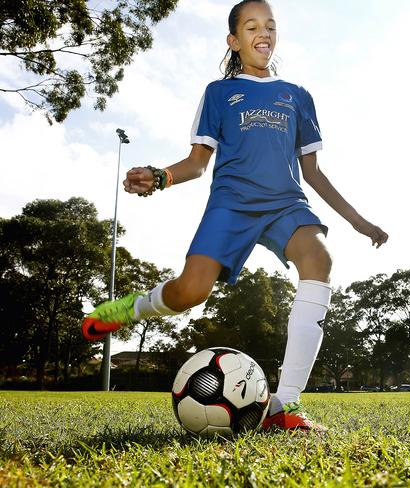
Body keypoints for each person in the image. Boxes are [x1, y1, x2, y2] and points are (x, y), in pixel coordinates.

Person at [82, 0, 388, 432]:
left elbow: (313, 173)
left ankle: (285, 406)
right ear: (234, 40)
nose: (262, 32)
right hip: (231, 203)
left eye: (269, 25)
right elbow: (196, 164)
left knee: (319, 260)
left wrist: (359, 221)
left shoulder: (298, 96)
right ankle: (125, 309)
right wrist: (160, 176)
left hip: (285, 203)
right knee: (191, 292)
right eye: (250, 26)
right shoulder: (220, 93)